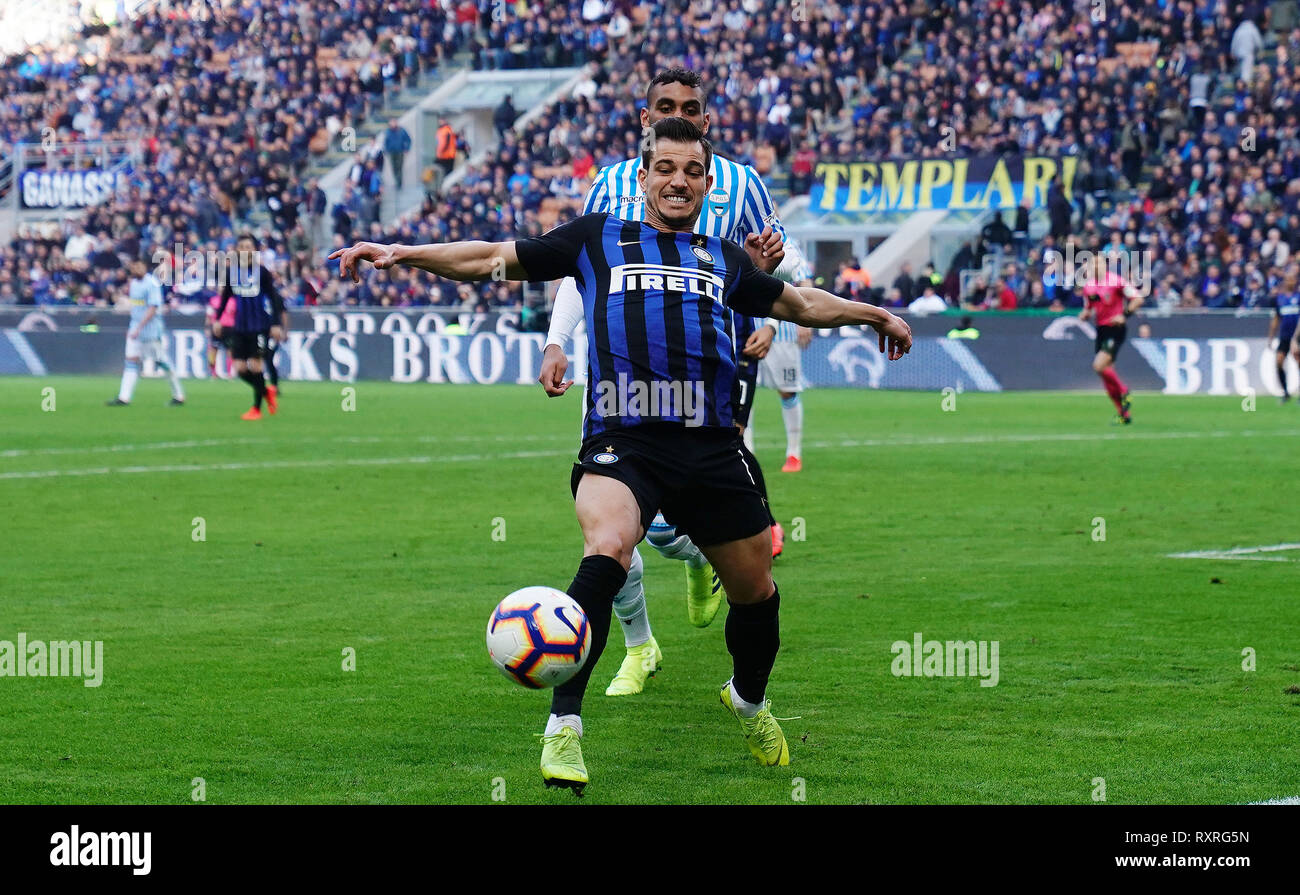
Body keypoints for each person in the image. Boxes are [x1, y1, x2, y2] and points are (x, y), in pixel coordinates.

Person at [329, 116, 913, 794]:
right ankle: (564, 731)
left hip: (712, 443)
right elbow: (494, 258)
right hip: (623, 438)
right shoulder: (597, 237)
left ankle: (748, 700)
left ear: (704, 182)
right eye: (665, 168)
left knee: (757, 594)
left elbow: (801, 303)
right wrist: (403, 252)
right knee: (607, 547)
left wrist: (875, 314)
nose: (678, 181)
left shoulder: (723, 258)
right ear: (643, 177)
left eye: (692, 171)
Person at [538, 69, 795, 700]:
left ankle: (708, 560)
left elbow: (771, 262)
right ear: (645, 117)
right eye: (663, 106)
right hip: (617, 378)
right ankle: (638, 644)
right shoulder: (613, 183)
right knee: (615, 530)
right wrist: (557, 340)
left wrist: (767, 318)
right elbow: (580, 268)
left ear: (706, 121)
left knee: (687, 515)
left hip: (709, 371)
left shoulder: (739, 182)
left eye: (688, 107)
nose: (675, 113)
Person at [213, 234, 285, 420]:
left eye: (249, 246)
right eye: (242, 246)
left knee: (255, 366)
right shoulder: (232, 272)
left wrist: (276, 324)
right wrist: (218, 319)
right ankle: (265, 391)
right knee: (239, 369)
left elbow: (274, 299)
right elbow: (225, 298)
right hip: (240, 326)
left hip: (259, 326)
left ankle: (256, 409)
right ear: (237, 250)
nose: (245, 249)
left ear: (255, 250)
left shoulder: (262, 272)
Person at [106, 257, 185, 407]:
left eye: (139, 267)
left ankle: (179, 395)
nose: (137, 269)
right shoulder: (134, 283)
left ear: (145, 267)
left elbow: (153, 308)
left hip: (150, 331)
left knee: (162, 362)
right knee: (130, 361)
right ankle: (124, 397)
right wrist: (132, 327)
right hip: (134, 329)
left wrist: (139, 328)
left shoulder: (152, 283)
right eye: (134, 267)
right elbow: (137, 307)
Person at [1078, 253, 1143, 424]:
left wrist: (1124, 315)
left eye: (1099, 263)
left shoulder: (1117, 281)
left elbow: (1138, 299)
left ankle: (1124, 391)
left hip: (1115, 329)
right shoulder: (1088, 286)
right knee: (1106, 374)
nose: (1096, 266)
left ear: (1105, 265)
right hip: (1101, 330)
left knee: (1098, 366)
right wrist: (1085, 314)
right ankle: (1123, 414)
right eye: (1093, 264)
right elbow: (1089, 307)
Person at [1267, 268, 1300, 402]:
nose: (1290, 281)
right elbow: (1276, 319)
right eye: (1288, 279)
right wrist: (1270, 337)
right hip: (1285, 336)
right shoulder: (1279, 299)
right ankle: (1285, 392)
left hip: (1297, 337)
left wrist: (1296, 338)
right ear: (1285, 282)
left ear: (1296, 281)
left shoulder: (1298, 297)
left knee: (1298, 363)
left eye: (1292, 279)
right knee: (1279, 362)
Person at [383, 119, 412, 189]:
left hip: (400, 152)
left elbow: (408, 140)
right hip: (391, 152)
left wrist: (406, 148)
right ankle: (397, 181)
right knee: (394, 168)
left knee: (399, 167)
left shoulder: (401, 131)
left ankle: (399, 183)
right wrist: (386, 150)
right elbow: (386, 142)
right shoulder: (388, 131)